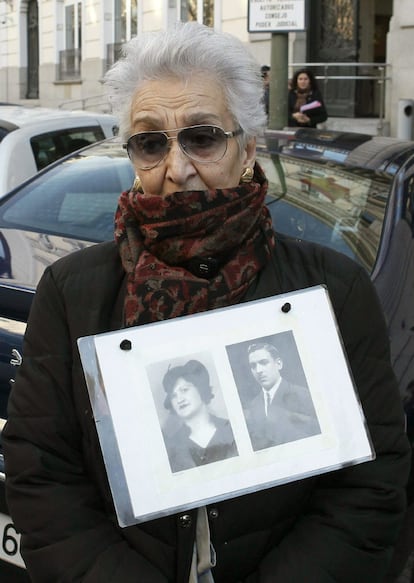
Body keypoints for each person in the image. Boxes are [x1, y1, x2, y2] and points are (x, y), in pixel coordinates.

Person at [2, 21, 410, 583]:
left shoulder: (332, 290)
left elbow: (369, 484)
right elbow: (41, 474)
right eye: (150, 141)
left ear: (246, 148)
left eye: (203, 136)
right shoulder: (72, 291)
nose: (177, 168)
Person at [161, 359, 238, 472]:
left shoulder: (231, 428)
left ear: (201, 389)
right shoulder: (171, 446)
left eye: (184, 390)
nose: (179, 399)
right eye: (173, 396)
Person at [245, 342, 320, 450]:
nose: (258, 370)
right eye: (253, 366)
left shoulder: (304, 395)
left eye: (264, 362)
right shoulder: (253, 405)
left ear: (278, 364)